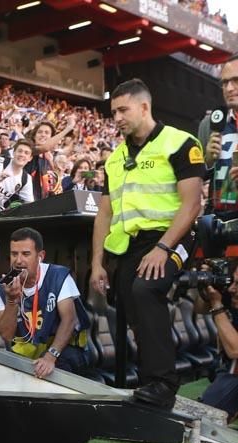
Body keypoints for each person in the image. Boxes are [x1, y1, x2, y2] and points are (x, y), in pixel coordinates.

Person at [91, 78, 205, 409]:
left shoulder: (180, 143)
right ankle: (147, 379)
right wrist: (97, 262)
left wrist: (164, 248)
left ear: (144, 107)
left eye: (123, 110)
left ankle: (163, 384)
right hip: (133, 244)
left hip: (176, 235)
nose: (117, 118)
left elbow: (192, 204)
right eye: (113, 112)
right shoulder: (114, 159)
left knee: (145, 289)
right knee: (127, 298)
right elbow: (104, 213)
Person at [0, 228, 92, 379]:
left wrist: (50, 356)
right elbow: (6, 335)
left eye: (26, 254)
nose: (18, 260)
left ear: (40, 256)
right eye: (14, 254)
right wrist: (11, 301)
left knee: (55, 368)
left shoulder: (58, 275)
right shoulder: (4, 286)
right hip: (30, 356)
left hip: (66, 351)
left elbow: (69, 320)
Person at [197, 264, 238, 421]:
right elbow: (199, 308)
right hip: (228, 369)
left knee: (208, 419)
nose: (232, 289)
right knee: (205, 414)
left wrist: (217, 306)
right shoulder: (232, 296)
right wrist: (206, 288)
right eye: (232, 282)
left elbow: (235, 350)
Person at [202, 55, 238, 211]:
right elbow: (196, 178)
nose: (229, 88)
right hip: (220, 221)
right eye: (224, 82)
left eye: (236, 80)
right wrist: (207, 160)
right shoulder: (210, 124)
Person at [0, 139, 35, 215]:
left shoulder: (26, 178)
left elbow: (29, 203)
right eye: (20, 151)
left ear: (30, 158)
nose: (22, 154)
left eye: (26, 153)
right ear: (13, 152)